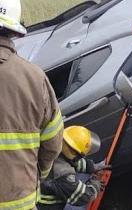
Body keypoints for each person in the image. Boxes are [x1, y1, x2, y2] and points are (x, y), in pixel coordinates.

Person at [0, 0, 63, 209]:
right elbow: (53, 143)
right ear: (13, 31)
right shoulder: (35, 78)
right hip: (19, 202)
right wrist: (37, 174)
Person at [37, 126, 111, 210]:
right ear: (76, 154)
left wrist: (91, 166)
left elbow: (69, 161)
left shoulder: (51, 148)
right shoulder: (63, 175)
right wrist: (95, 184)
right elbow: (84, 197)